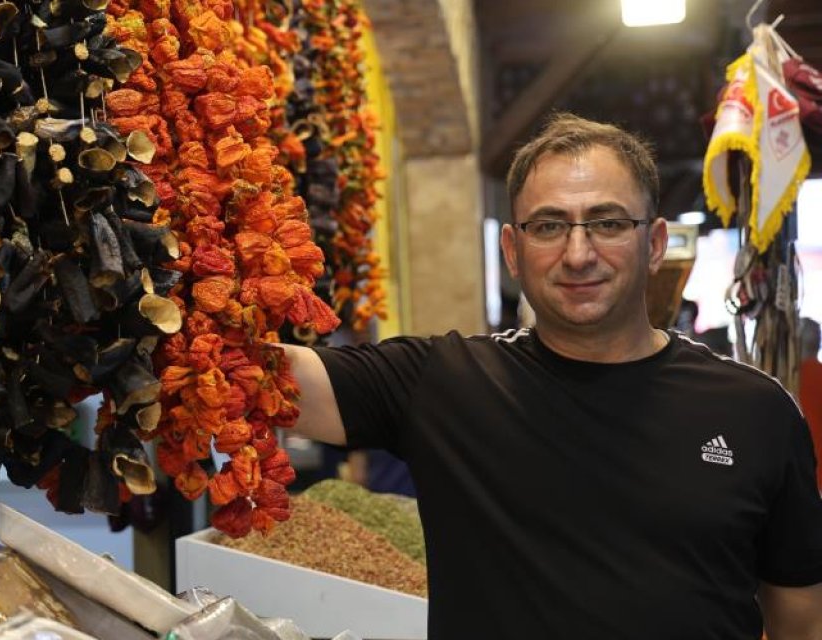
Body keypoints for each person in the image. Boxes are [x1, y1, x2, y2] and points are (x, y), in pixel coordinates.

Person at [281, 114, 822, 639]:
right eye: (548, 226)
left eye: (609, 223)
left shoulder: (757, 412)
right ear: (513, 252)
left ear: (654, 244)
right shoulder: (445, 383)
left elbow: (802, 622)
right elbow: (270, 380)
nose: (578, 254)